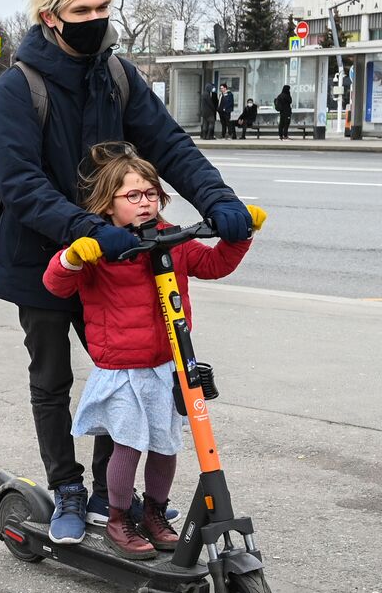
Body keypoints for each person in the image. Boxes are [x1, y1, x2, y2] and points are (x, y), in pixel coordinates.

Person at [0, 0, 254, 544]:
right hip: (44, 260)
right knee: (52, 377)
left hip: (117, 259)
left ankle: (115, 494)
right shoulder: (16, 88)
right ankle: (69, 487)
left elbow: (171, 146)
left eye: (103, 8)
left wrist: (219, 199)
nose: (96, 20)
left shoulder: (117, 76)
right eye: (83, 10)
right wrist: (84, 228)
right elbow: (19, 183)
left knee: (126, 374)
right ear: (51, 17)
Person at [42, 142, 264, 557]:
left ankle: (155, 513)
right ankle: (118, 517)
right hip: (123, 369)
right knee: (128, 445)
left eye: (151, 195)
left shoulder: (171, 241)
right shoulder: (100, 248)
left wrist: (240, 236)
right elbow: (56, 284)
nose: (144, 203)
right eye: (132, 196)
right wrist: (74, 256)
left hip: (167, 366)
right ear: (109, 205)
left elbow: (213, 265)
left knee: (166, 444)